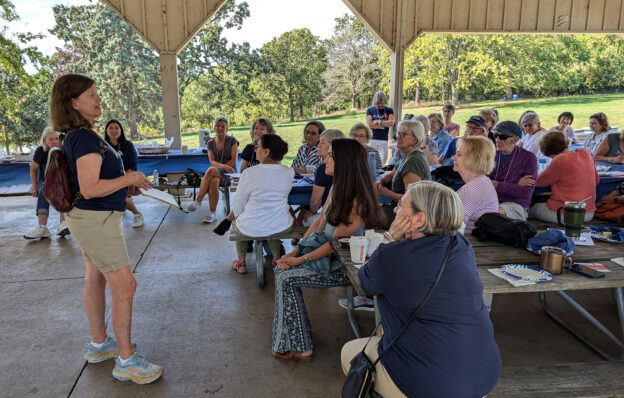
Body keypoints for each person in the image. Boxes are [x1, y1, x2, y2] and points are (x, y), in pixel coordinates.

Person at [342, 181, 501, 398]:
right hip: (484, 375)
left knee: (349, 353)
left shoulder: (391, 256)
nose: (396, 210)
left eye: (402, 206)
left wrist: (390, 239)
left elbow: (366, 282)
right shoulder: (462, 247)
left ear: (419, 219)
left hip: (432, 385)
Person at [51, 74, 162, 383]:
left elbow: (93, 183)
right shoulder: (84, 138)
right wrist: (129, 179)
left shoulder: (79, 134)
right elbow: (89, 187)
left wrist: (124, 186)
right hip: (96, 219)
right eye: (91, 95)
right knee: (125, 286)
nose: (98, 99)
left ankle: (100, 344)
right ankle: (126, 361)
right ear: (74, 103)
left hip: (89, 218)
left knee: (95, 278)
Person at [272, 138, 384, 360]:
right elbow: (318, 222)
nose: (325, 159)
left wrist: (300, 260)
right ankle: (297, 336)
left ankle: (301, 345)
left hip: (343, 266)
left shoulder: (357, 200)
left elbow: (335, 245)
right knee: (282, 271)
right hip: (327, 256)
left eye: (331, 155)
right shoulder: (338, 188)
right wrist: (296, 251)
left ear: (345, 161)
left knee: (286, 277)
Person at [230, 134, 293, 274]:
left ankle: (241, 262)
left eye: (258, 147)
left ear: (266, 152)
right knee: (273, 217)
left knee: (236, 215)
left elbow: (237, 207)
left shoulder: (249, 173)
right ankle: (276, 259)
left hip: (250, 227)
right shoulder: (289, 172)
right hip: (282, 225)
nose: (255, 150)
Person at [524, 132, 599, 223]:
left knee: (528, 208)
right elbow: (597, 180)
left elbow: (538, 181)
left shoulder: (560, 160)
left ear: (548, 152)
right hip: (589, 212)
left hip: (567, 214)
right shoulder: (585, 153)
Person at [185, 117, 238, 222]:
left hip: (230, 173)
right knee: (214, 180)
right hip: (217, 172)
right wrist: (222, 166)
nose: (220, 128)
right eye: (218, 126)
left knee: (211, 170)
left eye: (223, 126)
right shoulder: (210, 143)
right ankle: (212, 214)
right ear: (214, 127)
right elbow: (212, 161)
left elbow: (233, 161)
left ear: (227, 128)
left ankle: (198, 201)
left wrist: (224, 167)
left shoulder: (232, 141)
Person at [24, 127, 70, 239]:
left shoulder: (64, 150)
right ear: (45, 140)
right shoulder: (41, 151)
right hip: (45, 180)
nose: (54, 141)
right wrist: (34, 187)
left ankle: (63, 224)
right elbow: (33, 168)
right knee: (43, 190)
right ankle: (42, 227)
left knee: (64, 191)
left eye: (57, 139)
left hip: (61, 180)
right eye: (51, 139)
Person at [296, 129, 345, 227]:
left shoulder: (324, 168)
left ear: (333, 146)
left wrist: (311, 212)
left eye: (322, 143)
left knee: (303, 217)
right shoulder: (347, 163)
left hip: (333, 221)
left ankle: (304, 240)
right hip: (347, 218)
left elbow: (315, 202)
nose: (318, 146)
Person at [488, 121, 537, 220]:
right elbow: (484, 184)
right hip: (491, 202)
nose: (497, 140)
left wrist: (497, 184)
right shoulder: (491, 155)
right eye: (496, 135)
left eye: (502, 137)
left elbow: (525, 192)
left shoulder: (529, 158)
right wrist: (515, 184)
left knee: (493, 213)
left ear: (515, 139)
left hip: (516, 205)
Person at [376, 120, 431, 203]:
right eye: (398, 133)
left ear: (415, 140)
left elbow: (411, 199)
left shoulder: (413, 161)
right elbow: (391, 174)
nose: (398, 137)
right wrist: (380, 182)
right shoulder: (407, 154)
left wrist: (386, 193)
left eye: (403, 134)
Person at [453, 136, 498, 233]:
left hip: (472, 242)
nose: (453, 157)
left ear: (474, 159)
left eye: (459, 155)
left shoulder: (472, 189)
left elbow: (451, 225)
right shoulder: (482, 180)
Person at [104, 120, 143, 228]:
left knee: (120, 196)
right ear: (106, 130)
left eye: (117, 128)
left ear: (121, 130)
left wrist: (122, 180)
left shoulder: (128, 145)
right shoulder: (103, 147)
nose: (114, 130)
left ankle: (137, 214)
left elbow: (132, 166)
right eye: (110, 128)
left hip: (127, 177)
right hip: (109, 179)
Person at [366, 91, 395, 166]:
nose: (380, 105)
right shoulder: (370, 110)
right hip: (372, 140)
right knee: (370, 162)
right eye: (378, 103)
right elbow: (370, 124)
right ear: (375, 102)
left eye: (382, 103)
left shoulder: (389, 110)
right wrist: (385, 123)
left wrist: (378, 122)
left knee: (382, 162)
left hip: (383, 140)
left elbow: (391, 123)